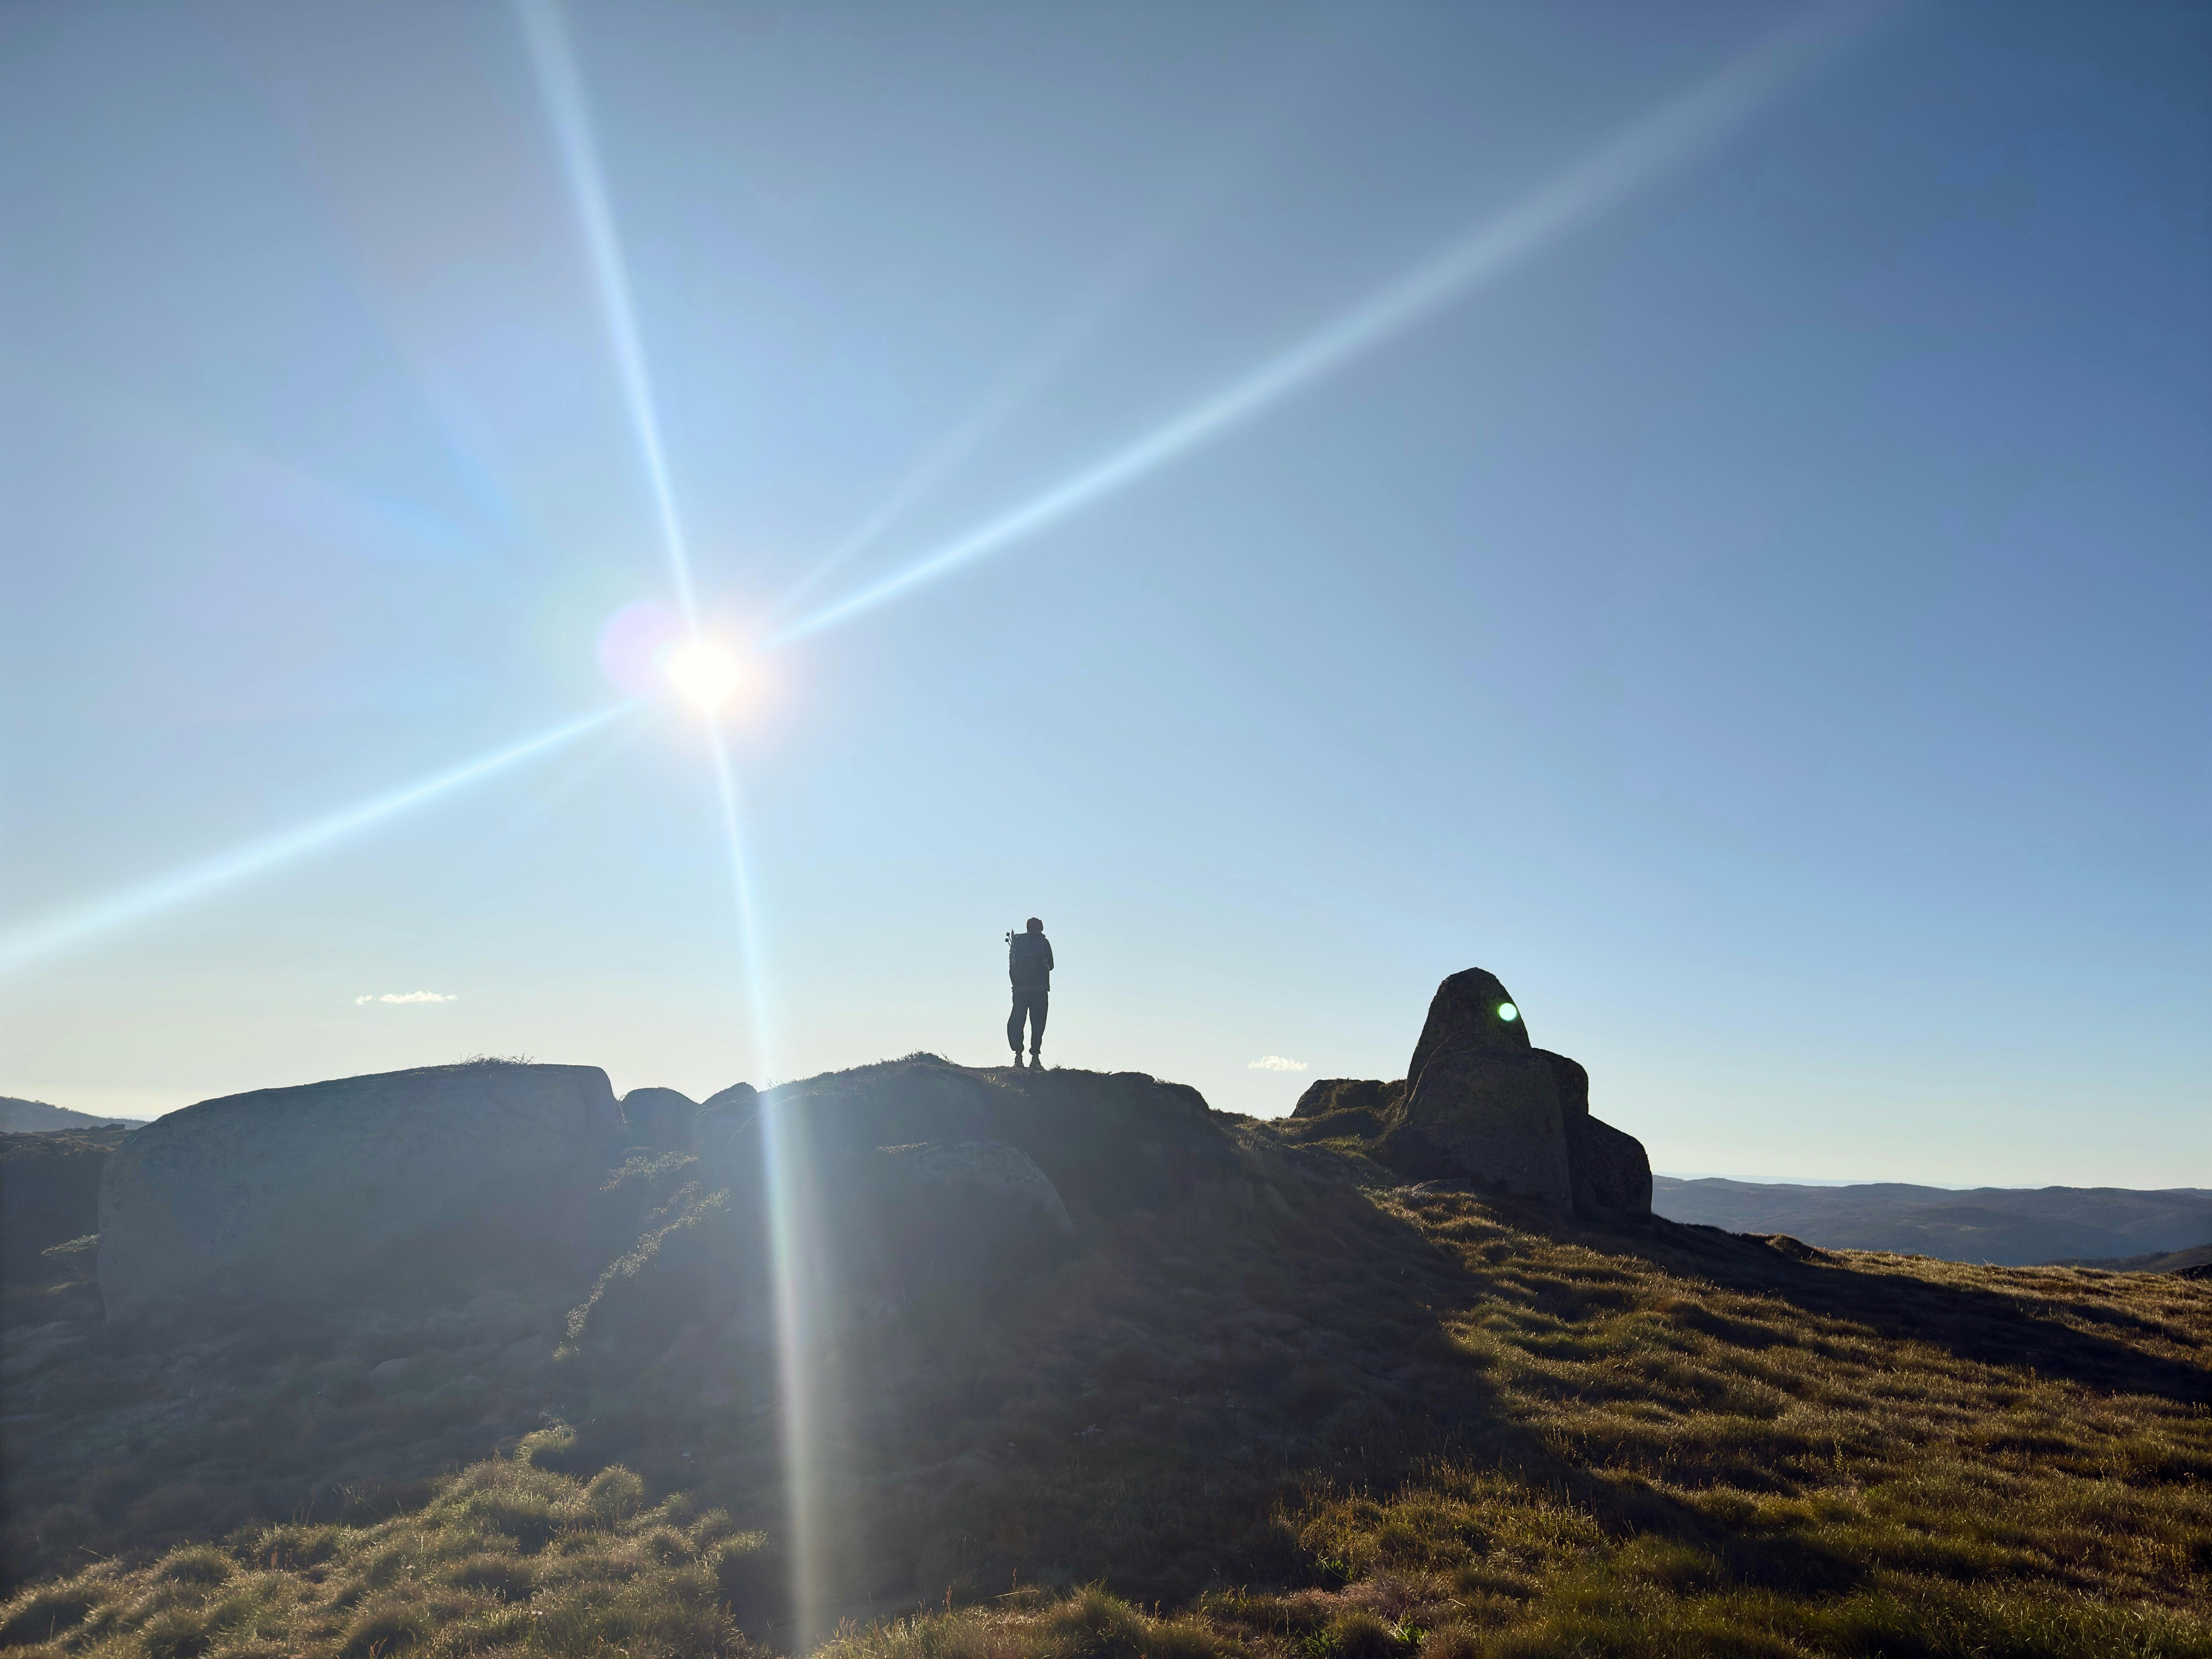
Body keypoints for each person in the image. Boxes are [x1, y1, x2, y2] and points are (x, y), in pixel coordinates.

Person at [1006, 916, 1053, 1067]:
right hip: (1040, 990)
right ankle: (1035, 1058)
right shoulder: (1044, 942)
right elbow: (1051, 965)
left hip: (1020, 990)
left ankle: (1018, 1056)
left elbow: (1012, 965)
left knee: (1018, 1021)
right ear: (1041, 928)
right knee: (1038, 1023)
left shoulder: (1017, 943)